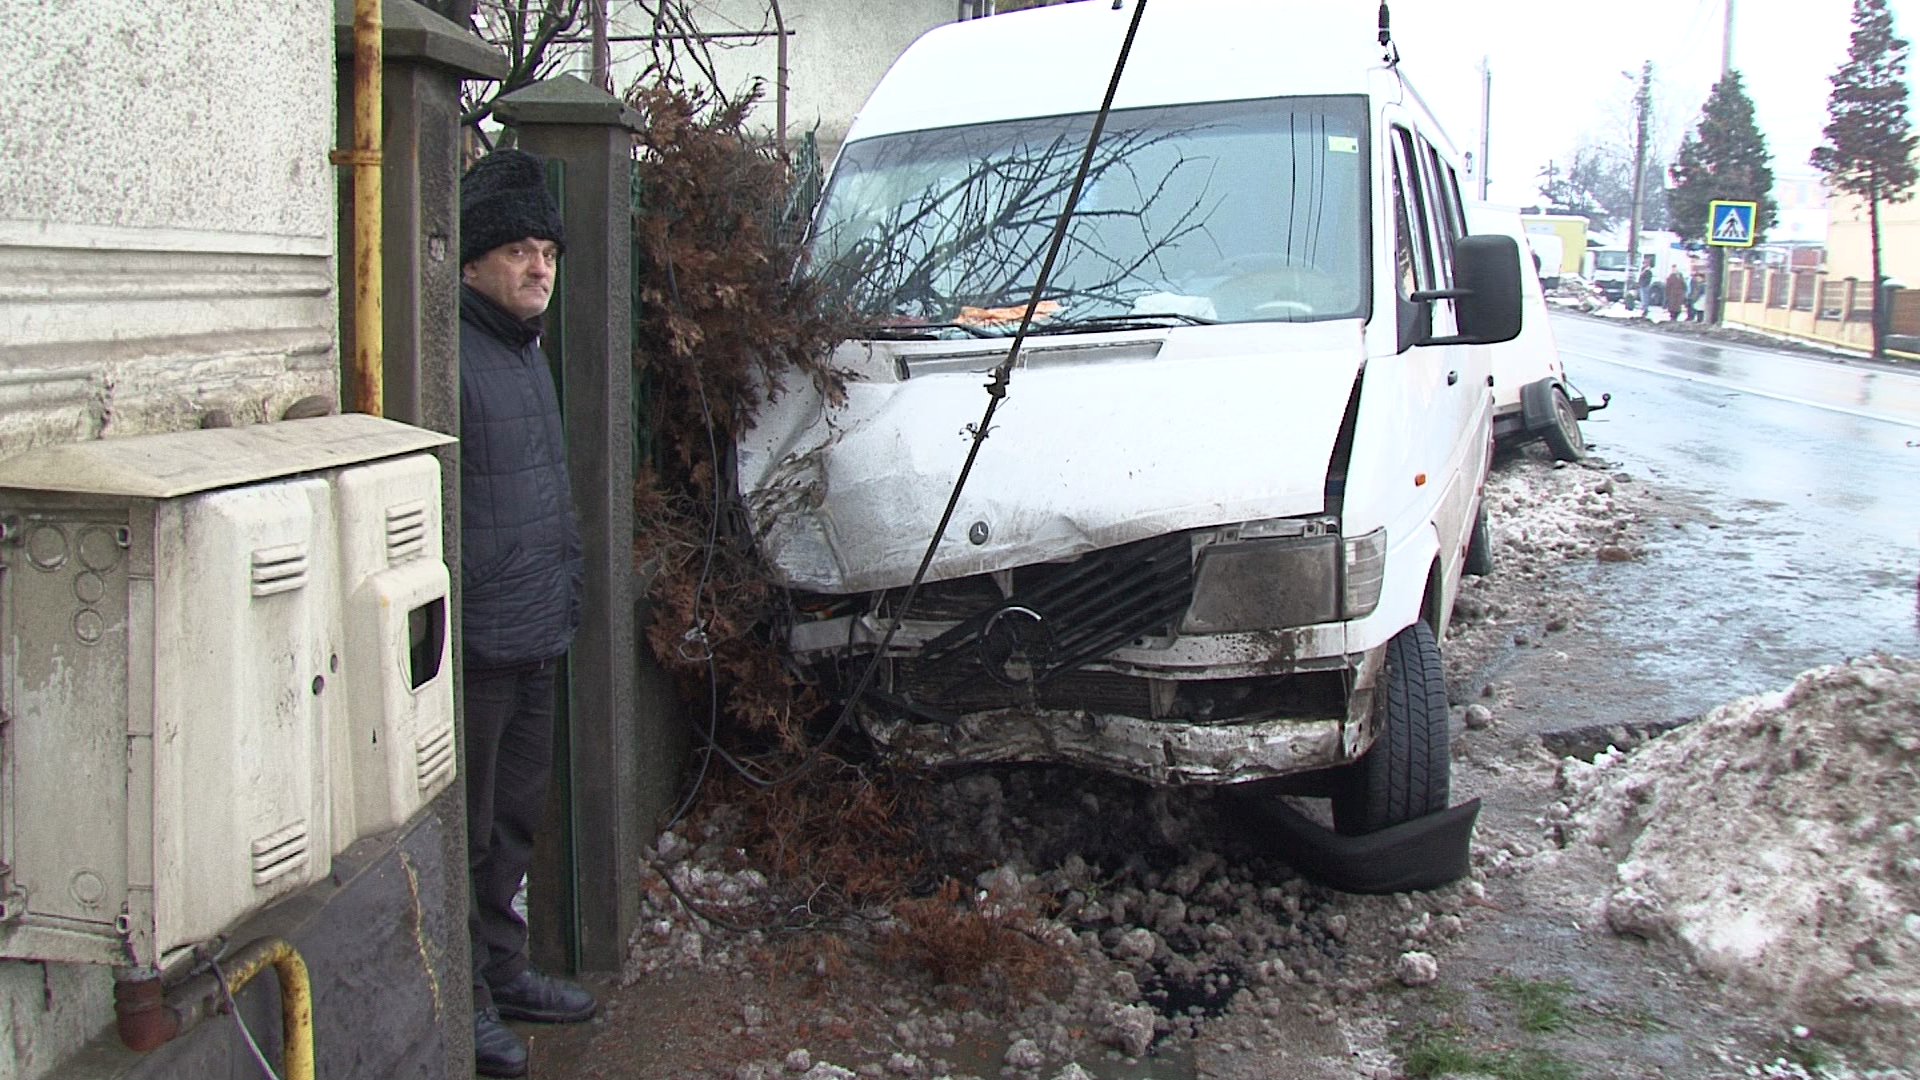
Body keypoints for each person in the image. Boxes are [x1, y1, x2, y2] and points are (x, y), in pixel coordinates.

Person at [457, 148, 592, 1079]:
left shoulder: (522, 350)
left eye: (546, 250)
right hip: (475, 649)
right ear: (471, 262)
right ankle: (461, 1000)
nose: (538, 267)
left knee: (512, 824)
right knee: (466, 832)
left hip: (536, 627)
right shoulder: (452, 356)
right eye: (517, 251)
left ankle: (504, 975)